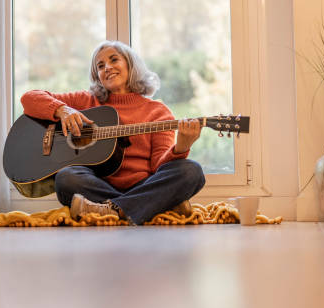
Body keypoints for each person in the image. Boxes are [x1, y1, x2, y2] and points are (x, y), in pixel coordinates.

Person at [20, 40, 205, 225]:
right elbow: (29, 98)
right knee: (66, 178)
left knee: (191, 171)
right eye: (100, 66)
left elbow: (158, 166)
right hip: (97, 184)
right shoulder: (86, 101)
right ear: (98, 75)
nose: (107, 67)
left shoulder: (158, 111)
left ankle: (111, 208)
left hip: (143, 184)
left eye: (114, 60)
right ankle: (151, 205)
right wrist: (63, 110)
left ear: (130, 65)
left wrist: (182, 147)